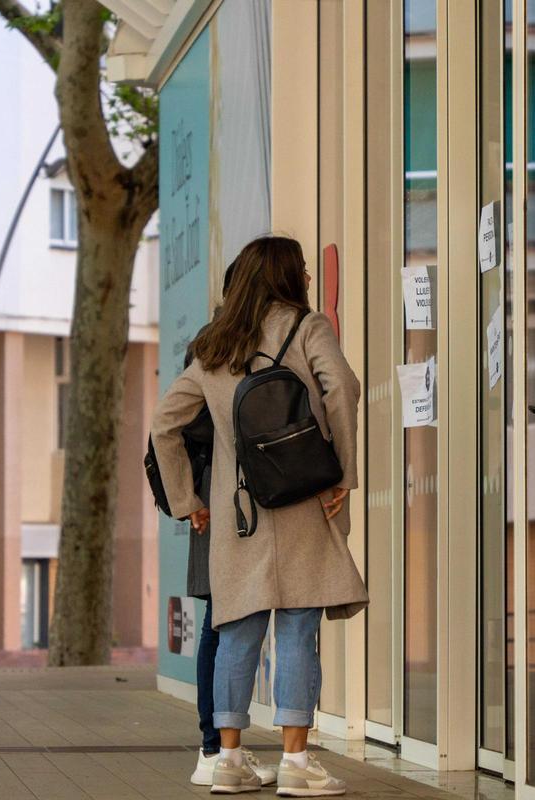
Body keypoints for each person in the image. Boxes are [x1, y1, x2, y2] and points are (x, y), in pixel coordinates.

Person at [152, 235, 367, 797]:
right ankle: (296, 764)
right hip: (300, 498)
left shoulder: (212, 345)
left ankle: (229, 759)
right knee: (298, 628)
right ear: (285, 275)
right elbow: (342, 385)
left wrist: (186, 501)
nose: (309, 278)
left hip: (237, 510)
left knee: (237, 633)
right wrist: (343, 469)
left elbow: (164, 425)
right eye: (301, 268)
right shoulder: (306, 326)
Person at [184, 264, 279, 788]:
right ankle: (216, 749)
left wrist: (188, 496)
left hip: (212, 494)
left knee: (218, 620)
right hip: (224, 496)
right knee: (222, 622)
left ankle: (215, 750)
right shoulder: (230, 343)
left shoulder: (210, 341)